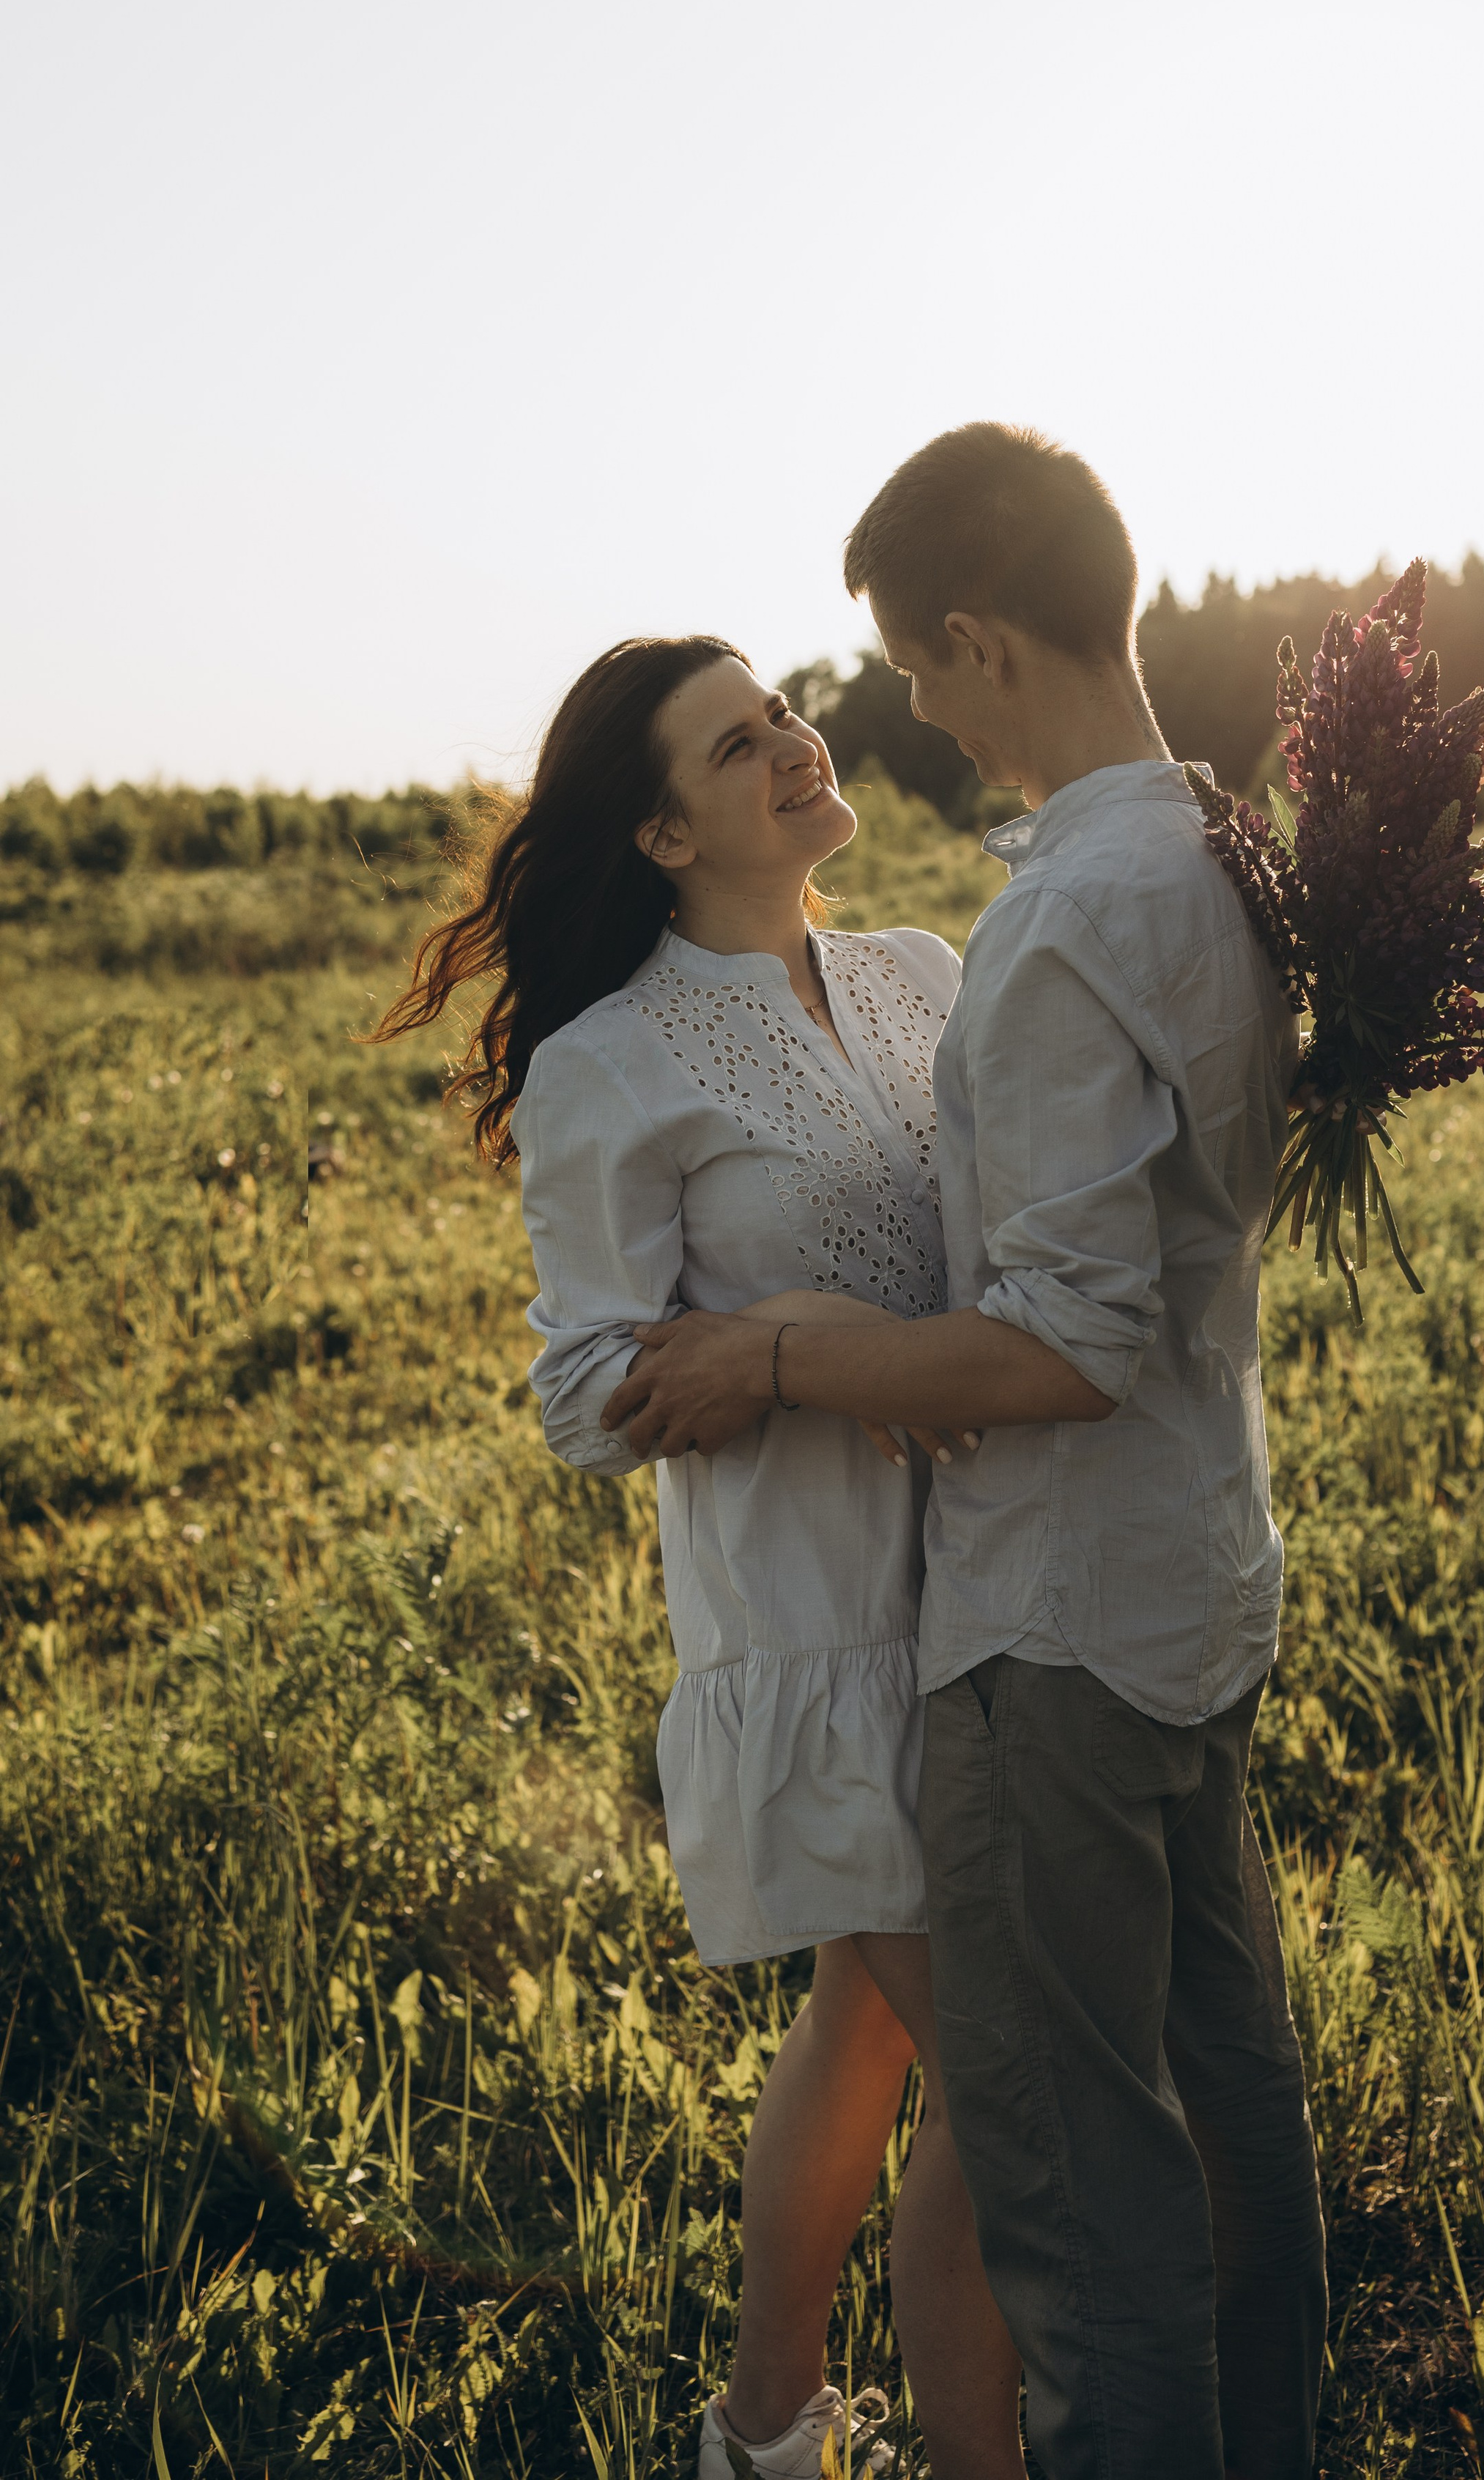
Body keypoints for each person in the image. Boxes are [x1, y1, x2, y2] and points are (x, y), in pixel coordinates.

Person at [611, 426, 1329, 2480]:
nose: (903, 711)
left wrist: (778, 1350)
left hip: (1054, 1635)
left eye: (913, 667)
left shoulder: (1052, 930)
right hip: (1199, 1572)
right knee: (1231, 2124)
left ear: (984, 640)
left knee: (1082, 2202)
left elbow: (1066, 1344)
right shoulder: (1223, 854)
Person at [372, 634, 1057, 2480]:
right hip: (817, 1626)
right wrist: (812, 1336)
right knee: (1012, 2083)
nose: (793, 745)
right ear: (664, 832)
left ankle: (759, 2431)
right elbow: (587, 1397)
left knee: (871, 2024)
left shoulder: (924, 975)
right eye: (737, 742)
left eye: (783, 714)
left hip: (996, 1580)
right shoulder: (615, 1061)